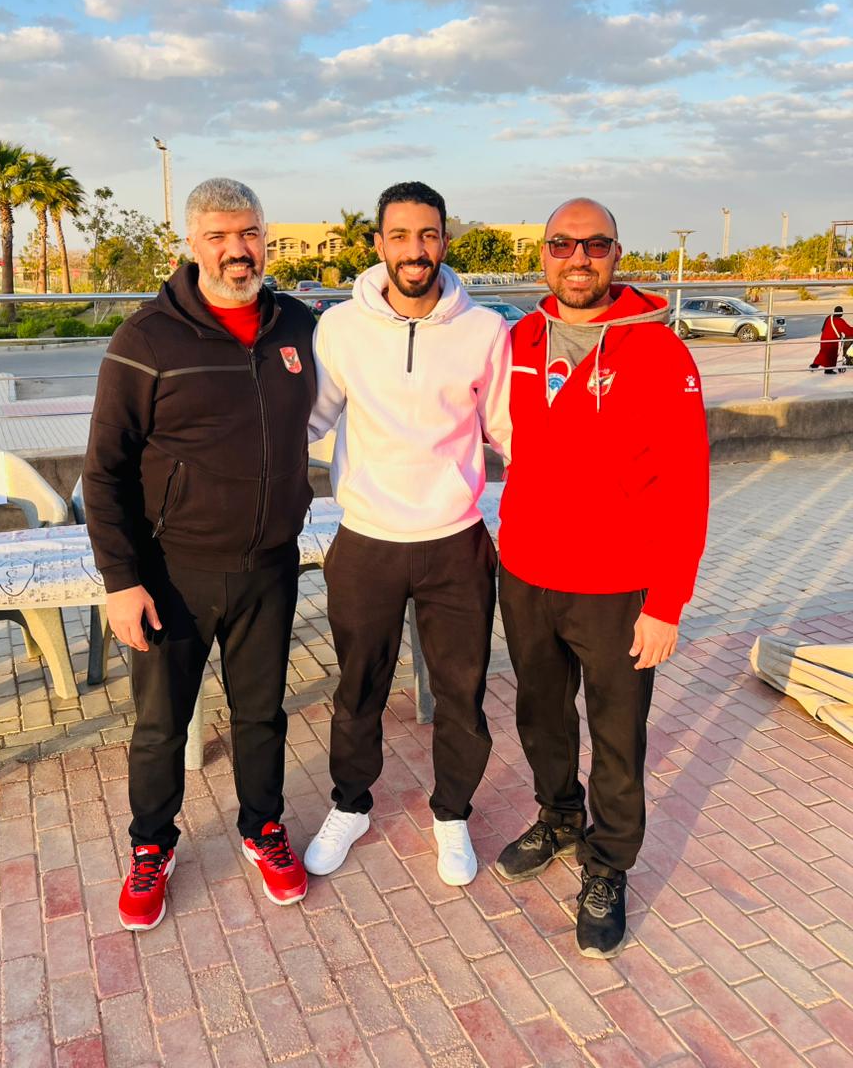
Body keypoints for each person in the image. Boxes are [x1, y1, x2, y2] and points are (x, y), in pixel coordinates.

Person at [83, 178, 317, 928]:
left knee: (262, 715)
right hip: (171, 573)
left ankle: (263, 827)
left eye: (248, 233)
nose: (236, 250)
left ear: (265, 238)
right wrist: (121, 581)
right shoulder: (147, 339)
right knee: (162, 725)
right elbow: (104, 470)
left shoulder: (298, 325)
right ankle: (152, 846)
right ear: (192, 244)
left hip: (270, 565)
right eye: (218, 236)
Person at [495, 198, 709, 960]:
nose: (577, 258)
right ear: (543, 255)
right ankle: (558, 817)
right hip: (526, 572)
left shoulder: (659, 351)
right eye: (562, 244)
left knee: (617, 736)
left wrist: (667, 602)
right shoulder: (519, 338)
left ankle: (609, 862)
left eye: (594, 245)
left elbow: (687, 483)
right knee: (541, 717)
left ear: (617, 254)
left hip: (618, 585)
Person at [304, 181, 512, 886]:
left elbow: (509, 431)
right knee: (358, 686)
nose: (414, 250)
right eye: (400, 236)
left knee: (461, 691)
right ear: (379, 244)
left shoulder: (484, 331)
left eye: (428, 235)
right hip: (366, 538)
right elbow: (311, 418)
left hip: (456, 540)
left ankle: (452, 813)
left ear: (445, 241)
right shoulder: (341, 328)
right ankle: (350, 804)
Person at [809, 305, 853, 374]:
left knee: (823, 353)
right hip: (832, 339)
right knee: (831, 355)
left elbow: (823, 328)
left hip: (824, 338)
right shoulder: (839, 320)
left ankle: (814, 365)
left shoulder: (829, 317)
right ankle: (828, 370)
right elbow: (848, 330)